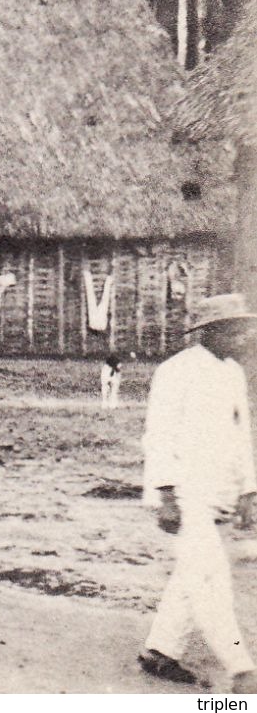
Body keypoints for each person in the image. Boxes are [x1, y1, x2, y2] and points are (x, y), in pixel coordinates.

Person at [138, 294, 257, 691]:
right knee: (210, 579)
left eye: (245, 328)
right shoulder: (176, 371)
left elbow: (242, 437)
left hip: (222, 492)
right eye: (235, 329)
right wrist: (166, 495)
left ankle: (160, 651)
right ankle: (241, 669)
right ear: (209, 331)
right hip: (186, 493)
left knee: (193, 574)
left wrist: (248, 491)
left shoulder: (234, 373)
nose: (245, 336)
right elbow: (158, 434)